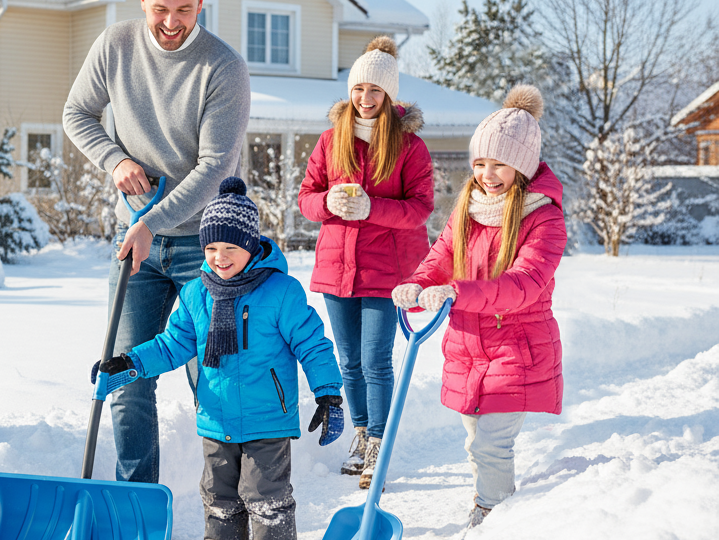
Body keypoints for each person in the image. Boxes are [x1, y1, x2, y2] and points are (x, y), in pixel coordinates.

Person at [62, 0, 251, 484]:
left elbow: (215, 168)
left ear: (201, 5)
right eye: (160, 8)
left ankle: (225, 503)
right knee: (126, 376)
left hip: (209, 250)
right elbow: (77, 112)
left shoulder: (222, 66)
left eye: (184, 9)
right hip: (137, 242)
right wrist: (114, 159)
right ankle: (136, 503)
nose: (171, 22)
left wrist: (152, 222)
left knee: (212, 379)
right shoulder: (115, 45)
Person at [94, 178, 344, 539]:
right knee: (218, 501)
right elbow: (171, 345)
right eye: (210, 247)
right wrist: (131, 361)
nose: (219, 257)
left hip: (266, 422)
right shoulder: (197, 293)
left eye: (230, 246)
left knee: (266, 500)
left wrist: (328, 392)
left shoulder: (281, 291)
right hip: (215, 421)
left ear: (251, 245)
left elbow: (313, 344)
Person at [391, 85, 566, 531]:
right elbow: (441, 256)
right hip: (469, 345)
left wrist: (456, 292)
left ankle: (493, 515)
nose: (487, 173)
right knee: (476, 440)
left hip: (518, 348)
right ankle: (491, 498)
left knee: (491, 444)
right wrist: (415, 283)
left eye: (499, 164)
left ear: (522, 165)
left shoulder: (543, 216)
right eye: (481, 162)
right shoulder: (468, 205)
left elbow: (525, 284)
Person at [297, 36, 434, 489]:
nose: (365, 99)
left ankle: (378, 439)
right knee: (348, 360)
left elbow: (420, 208)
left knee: (376, 359)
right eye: (359, 89)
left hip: (386, 270)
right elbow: (306, 199)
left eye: (375, 91)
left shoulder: (410, 147)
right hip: (338, 268)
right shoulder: (330, 140)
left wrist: (373, 208)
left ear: (389, 95)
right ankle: (360, 433)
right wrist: (330, 202)